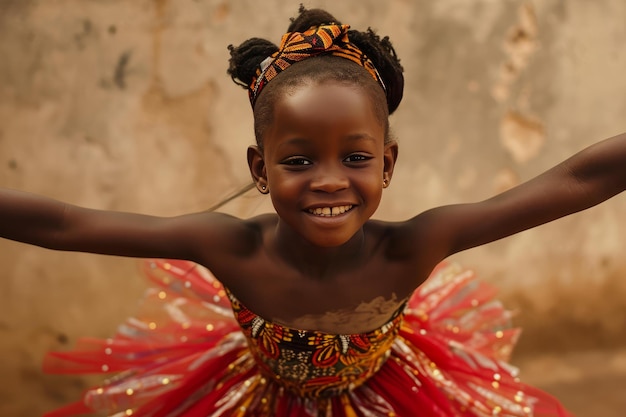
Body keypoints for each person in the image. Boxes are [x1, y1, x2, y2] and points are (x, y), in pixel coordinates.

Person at [1, 6, 624, 417]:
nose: (329, 183)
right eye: (297, 162)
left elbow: (579, 176)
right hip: (259, 394)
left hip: (387, 390)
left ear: (387, 164)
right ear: (258, 170)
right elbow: (66, 223)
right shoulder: (227, 246)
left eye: (355, 158)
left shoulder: (416, 244)